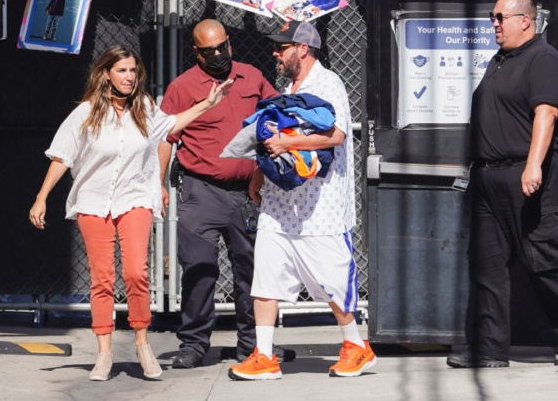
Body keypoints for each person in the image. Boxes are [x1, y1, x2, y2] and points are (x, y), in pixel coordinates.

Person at [28, 45, 233, 381]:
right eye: (122, 70)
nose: (129, 77)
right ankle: (104, 354)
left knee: (136, 273)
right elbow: (62, 157)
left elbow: (172, 123)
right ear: (106, 73)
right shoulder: (86, 113)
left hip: (134, 198)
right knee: (102, 278)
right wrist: (42, 197)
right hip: (93, 203)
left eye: (134, 71)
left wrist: (208, 103)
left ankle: (142, 346)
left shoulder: (145, 109)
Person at [446, 0, 558, 369]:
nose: (493, 24)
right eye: (492, 17)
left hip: (529, 175)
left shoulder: (543, 59)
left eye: (499, 17)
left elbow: (546, 115)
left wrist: (533, 164)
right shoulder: (501, 60)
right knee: (487, 266)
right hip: (490, 178)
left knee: (542, 259)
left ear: (525, 21)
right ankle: (490, 350)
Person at [229, 21, 375, 381]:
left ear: (303, 49)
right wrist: (259, 172)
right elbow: (274, 138)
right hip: (280, 204)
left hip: (319, 206)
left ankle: (357, 346)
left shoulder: (328, 83)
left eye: (282, 47)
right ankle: (263, 355)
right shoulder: (287, 87)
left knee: (331, 277)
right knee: (265, 275)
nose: (275, 53)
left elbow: (337, 134)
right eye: (276, 47)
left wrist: (288, 144)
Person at [157, 19, 288, 370]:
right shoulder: (182, 87)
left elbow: (278, 115)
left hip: (248, 193)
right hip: (202, 191)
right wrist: (158, 185)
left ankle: (253, 346)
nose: (218, 55)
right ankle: (194, 344)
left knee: (252, 271)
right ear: (196, 52)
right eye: (209, 51)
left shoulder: (252, 76)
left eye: (222, 47)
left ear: (229, 43)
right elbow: (165, 137)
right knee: (199, 270)